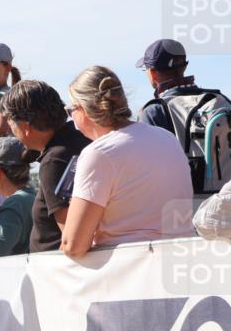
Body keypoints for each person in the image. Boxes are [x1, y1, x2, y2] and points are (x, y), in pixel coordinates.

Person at [60, 66, 195, 258]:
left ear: (82, 109)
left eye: (70, 110)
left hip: (130, 274)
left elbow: (73, 245)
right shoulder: (166, 138)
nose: (71, 117)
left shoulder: (98, 154)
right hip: (182, 263)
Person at [0, 80, 91, 252]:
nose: (11, 132)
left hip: (60, 270)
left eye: (10, 123)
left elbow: (72, 238)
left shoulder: (54, 160)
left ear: (25, 126)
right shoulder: (82, 140)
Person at [136, 39, 230, 194]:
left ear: (152, 73)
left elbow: (150, 171)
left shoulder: (155, 110)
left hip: (186, 207)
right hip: (226, 201)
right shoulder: (220, 100)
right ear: (185, 66)